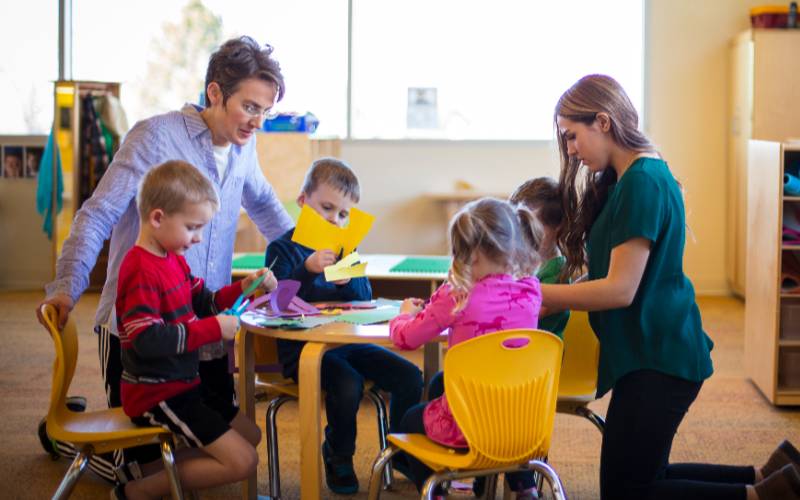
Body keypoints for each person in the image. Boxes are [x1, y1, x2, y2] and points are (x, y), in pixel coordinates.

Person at [35, 35, 294, 484]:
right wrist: (65, 287)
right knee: (138, 470)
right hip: (140, 330)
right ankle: (69, 442)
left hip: (200, 322)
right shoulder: (155, 136)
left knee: (234, 440)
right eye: (250, 107)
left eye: (265, 111)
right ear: (215, 92)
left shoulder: (243, 146)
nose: (257, 121)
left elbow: (268, 208)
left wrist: (314, 263)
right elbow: (97, 214)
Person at [541, 73, 800, 500]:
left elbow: (619, 290)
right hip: (651, 350)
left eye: (572, 136)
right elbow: (614, 272)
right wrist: (555, 300)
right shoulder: (632, 176)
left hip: (659, 358)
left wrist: (543, 296)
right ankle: (770, 476)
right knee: (646, 475)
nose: (570, 150)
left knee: (630, 490)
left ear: (603, 122)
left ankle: (764, 497)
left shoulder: (643, 181)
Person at [113, 160, 277, 499]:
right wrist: (214, 330)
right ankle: (138, 491)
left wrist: (245, 287)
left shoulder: (172, 257)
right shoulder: (140, 268)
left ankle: (160, 469)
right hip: (158, 393)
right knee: (244, 460)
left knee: (250, 435)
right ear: (157, 218)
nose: (198, 237)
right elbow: (146, 339)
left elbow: (205, 300)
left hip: (185, 383)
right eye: (192, 227)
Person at [264, 157, 424, 495]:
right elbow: (278, 303)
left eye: (343, 214)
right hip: (302, 350)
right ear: (303, 201)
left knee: (410, 376)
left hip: (348, 344)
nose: (334, 219)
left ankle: (402, 451)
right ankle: (338, 454)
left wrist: (347, 281)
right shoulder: (282, 248)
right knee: (348, 383)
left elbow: (366, 299)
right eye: (326, 207)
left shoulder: (344, 251)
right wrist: (306, 268)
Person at [389, 197, 545, 500]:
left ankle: (437, 492)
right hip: (522, 423)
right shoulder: (531, 289)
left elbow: (406, 339)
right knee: (440, 385)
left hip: (471, 425)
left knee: (411, 419)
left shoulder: (458, 296)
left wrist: (403, 315)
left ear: (470, 256)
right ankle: (525, 486)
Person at [510, 176, 570, 338]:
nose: (523, 235)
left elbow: (533, 313)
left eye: (533, 227)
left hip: (540, 355)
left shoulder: (556, 268)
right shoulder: (529, 264)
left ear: (558, 227)